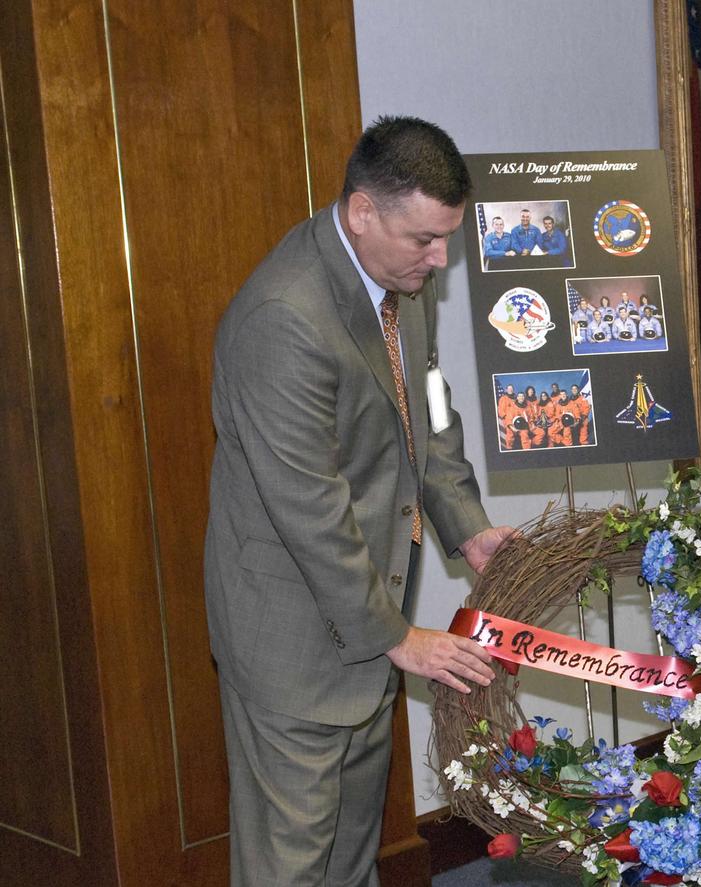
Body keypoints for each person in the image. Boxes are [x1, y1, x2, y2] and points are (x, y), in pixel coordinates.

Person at [205, 115, 516, 886]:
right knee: (292, 864)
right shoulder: (285, 319)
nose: (441, 259)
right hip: (293, 639)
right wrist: (399, 636)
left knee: (350, 855)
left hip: (368, 622)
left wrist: (467, 528)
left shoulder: (403, 279)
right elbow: (309, 505)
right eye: (424, 239)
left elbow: (431, 411)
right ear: (363, 211)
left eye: (449, 237)